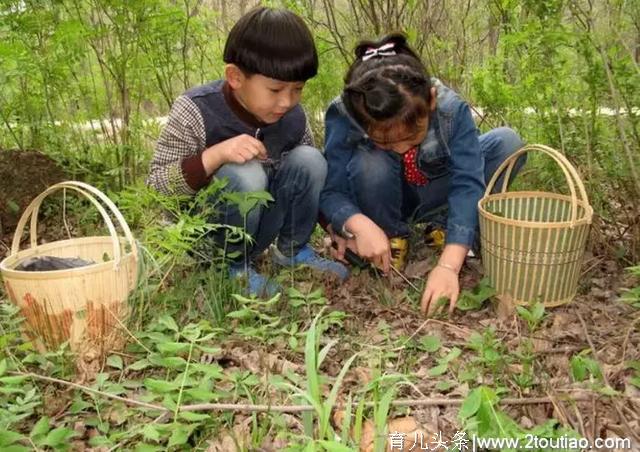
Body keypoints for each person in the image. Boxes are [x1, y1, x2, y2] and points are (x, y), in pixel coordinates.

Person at [319, 33, 526, 316]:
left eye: (413, 135)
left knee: (508, 143)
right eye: (386, 141)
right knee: (370, 161)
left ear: (430, 100)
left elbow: (467, 182)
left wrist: (448, 265)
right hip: (381, 195)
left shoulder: (451, 109)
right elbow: (331, 190)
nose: (402, 148)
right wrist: (356, 223)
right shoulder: (345, 113)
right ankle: (389, 238)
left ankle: (444, 227)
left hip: (432, 191)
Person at [147, 7, 348, 296]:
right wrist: (214, 156)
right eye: (275, 90)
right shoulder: (196, 110)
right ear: (235, 77)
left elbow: (307, 182)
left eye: (298, 89)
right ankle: (230, 269)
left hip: (258, 232)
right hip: (204, 239)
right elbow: (157, 188)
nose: (287, 101)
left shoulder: (293, 117)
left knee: (311, 159)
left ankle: (292, 250)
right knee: (245, 172)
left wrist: (332, 226)